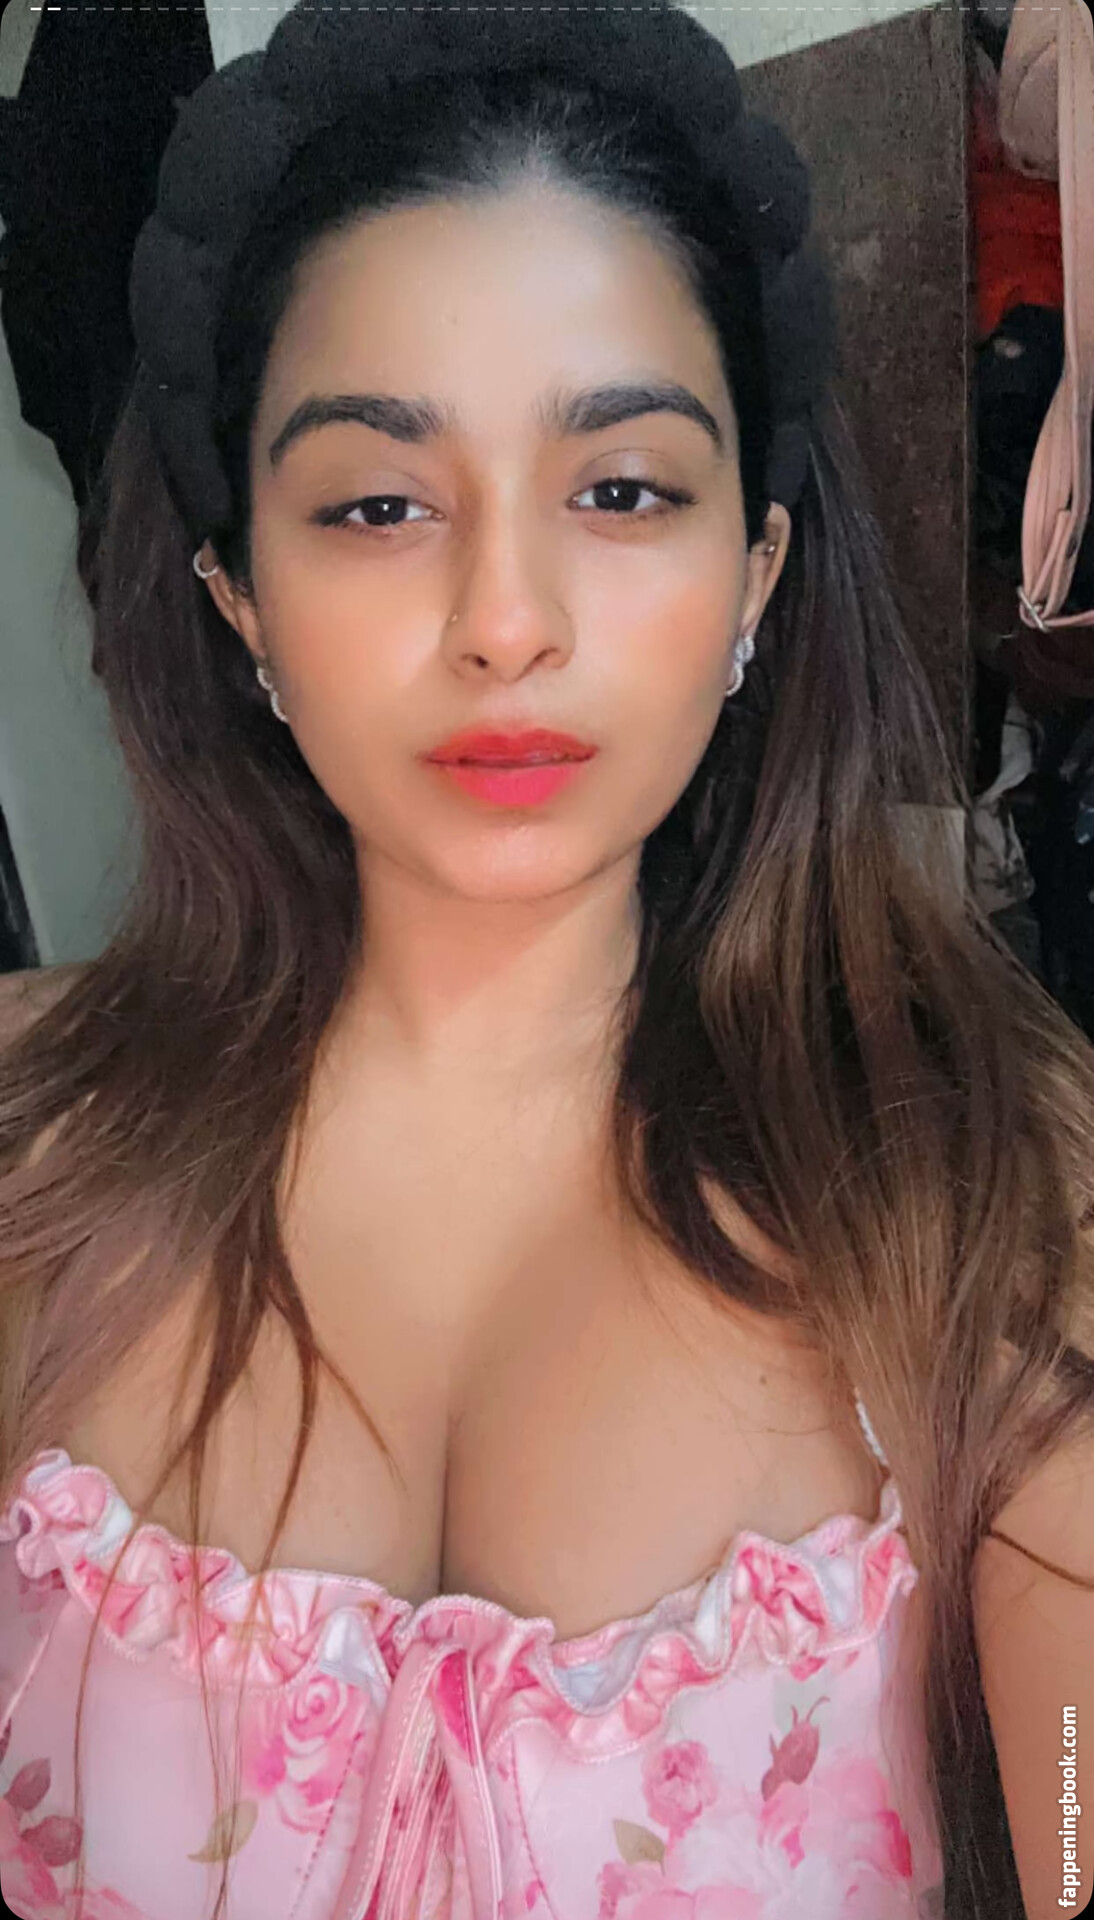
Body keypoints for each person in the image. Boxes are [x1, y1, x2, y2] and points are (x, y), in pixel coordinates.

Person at [0, 5, 1092, 1917]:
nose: (505, 619)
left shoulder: (992, 1183)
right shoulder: (29, 1148)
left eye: (620, 489)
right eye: (375, 505)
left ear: (755, 572)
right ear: (239, 598)